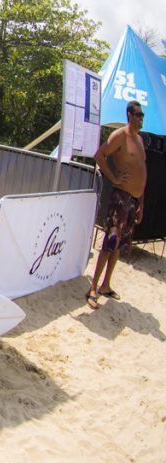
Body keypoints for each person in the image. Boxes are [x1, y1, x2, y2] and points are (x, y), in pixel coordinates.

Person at [87, 100, 147, 309]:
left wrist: (141, 203)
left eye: (143, 115)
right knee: (109, 241)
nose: (141, 119)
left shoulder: (139, 140)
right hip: (120, 197)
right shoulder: (120, 136)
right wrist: (113, 177)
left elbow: (142, 172)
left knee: (119, 244)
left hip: (133, 201)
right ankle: (93, 287)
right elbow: (99, 155)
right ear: (130, 115)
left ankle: (106, 285)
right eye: (138, 115)